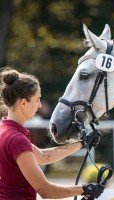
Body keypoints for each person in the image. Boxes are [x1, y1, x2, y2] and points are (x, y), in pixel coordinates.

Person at [0, 67, 104, 200]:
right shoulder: (16, 139)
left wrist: (82, 144)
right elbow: (45, 190)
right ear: (23, 103)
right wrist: (84, 189)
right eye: (37, 100)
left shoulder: (5, 129)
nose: (40, 106)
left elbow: (44, 156)